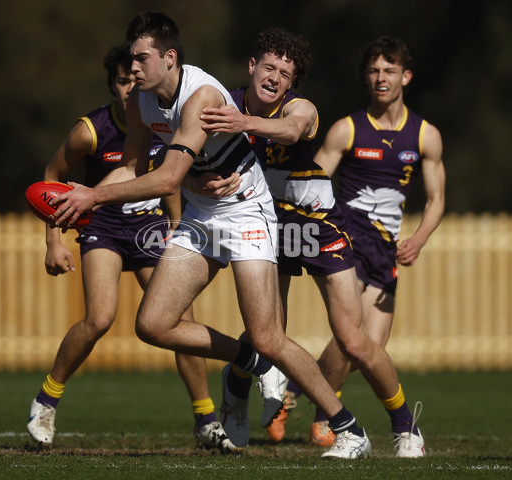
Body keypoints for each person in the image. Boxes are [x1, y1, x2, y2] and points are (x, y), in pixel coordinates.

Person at [51, 11, 371, 459]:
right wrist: (79, 198)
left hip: (247, 213)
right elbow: (129, 167)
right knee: (153, 324)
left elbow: (165, 181)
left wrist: (91, 199)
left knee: (267, 335)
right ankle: (247, 363)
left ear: (170, 57)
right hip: (203, 213)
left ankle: (348, 427)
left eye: (141, 59)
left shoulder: (200, 95)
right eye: (130, 60)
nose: (133, 69)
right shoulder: (140, 101)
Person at [199, 28, 427, 458]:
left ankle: (405, 427)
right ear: (252, 67)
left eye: (286, 73)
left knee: (353, 340)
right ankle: (237, 384)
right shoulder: (219, 102)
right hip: (264, 225)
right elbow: (183, 153)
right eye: (269, 67)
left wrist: (243, 124)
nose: (275, 78)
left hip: (316, 223)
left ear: (292, 83)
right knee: (266, 334)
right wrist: (202, 178)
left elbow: (291, 130)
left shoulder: (299, 108)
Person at [26, 43, 236, 452]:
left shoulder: (164, 119)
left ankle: (206, 420)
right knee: (100, 318)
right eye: (122, 81)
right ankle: (46, 401)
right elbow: (52, 175)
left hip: (149, 226)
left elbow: (171, 182)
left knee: (177, 319)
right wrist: (53, 240)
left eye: (133, 79)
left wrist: (178, 229)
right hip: (102, 223)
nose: (129, 87)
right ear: (113, 87)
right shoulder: (91, 129)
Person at [269, 35, 445, 457]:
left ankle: (303, 389)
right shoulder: (347, 128)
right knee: (353, 339)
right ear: (365, 78)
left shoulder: (425, 135)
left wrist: (418, 240)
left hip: (385, 250)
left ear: (406, 76)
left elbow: (437, 199)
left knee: (369, 347)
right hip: (347, 237)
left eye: (389, 70)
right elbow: (310, 180)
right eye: (373, 71)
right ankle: (368, 424)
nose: (380, 78)